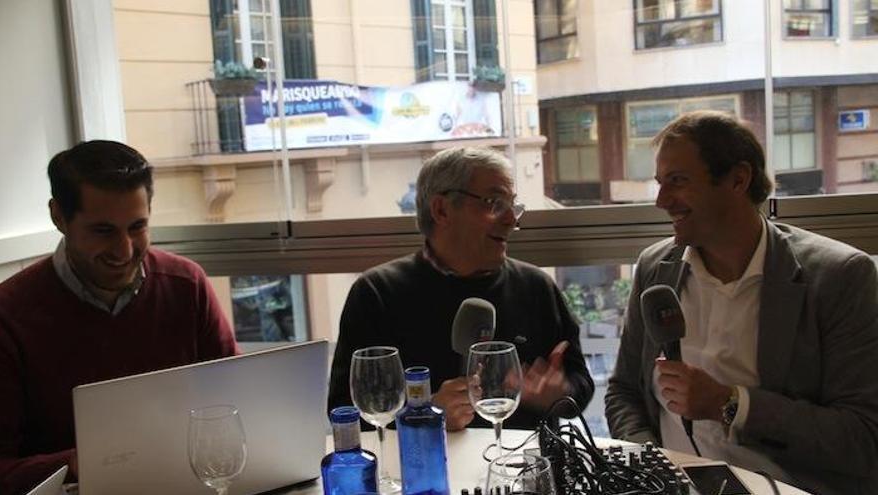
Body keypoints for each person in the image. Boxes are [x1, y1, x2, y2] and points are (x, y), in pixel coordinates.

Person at [605, 111, 878, 494]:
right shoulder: (655, 268)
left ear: (738, 179)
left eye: (678, 182)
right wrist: (653, 468)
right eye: (660, 183)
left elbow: (863, 438)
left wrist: (730, 404)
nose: (662, 201)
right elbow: (624, 394)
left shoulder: (839, 277)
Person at [0, 141, 239, 495]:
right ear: (58, 217)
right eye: (103, 231)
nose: (125, 250)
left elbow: (237, 403)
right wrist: (76, 463)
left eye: (137, 226)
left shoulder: (186, 286)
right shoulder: (8, 315)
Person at [328, 146, 594, 432]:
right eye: (494, 203)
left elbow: (580, 388)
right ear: (441, 210)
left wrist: (557, 392)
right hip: (420, 473)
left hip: (523, 468)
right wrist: (423, 416)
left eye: (512, 206)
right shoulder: (376, 293)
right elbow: (345, 412)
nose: (511, 220)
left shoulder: (536, 287)